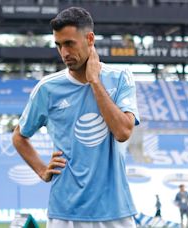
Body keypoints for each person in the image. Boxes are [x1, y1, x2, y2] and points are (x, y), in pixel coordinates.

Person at [12, 7, 140, 228]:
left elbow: (123, 132)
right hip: (65, 213)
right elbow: (19, 136)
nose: (64, 53)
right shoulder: (48, 88)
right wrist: (42, 170)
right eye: (59, 45)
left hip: (114, 211)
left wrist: (94, 81)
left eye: (69, 43)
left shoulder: (120, 78)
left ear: (90, 39)